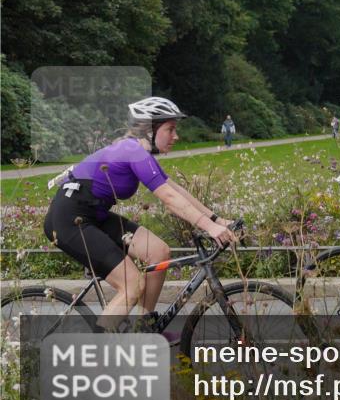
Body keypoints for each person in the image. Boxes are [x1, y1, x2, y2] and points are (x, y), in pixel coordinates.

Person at [43, 97, 237, 338]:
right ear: (150, 130)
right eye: (170, 129)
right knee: (132, 285)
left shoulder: (137, 152)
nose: (175, 136)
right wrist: (209, 227)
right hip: (69, 218)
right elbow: (168, 198)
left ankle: (142, 329)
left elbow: (175, 190)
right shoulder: (131, 150)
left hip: (94, 214)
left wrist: (217, 221)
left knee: (158, 252)